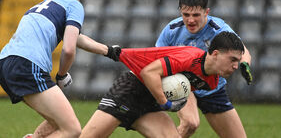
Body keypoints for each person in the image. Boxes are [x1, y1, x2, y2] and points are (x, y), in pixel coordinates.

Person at [0, 0, 120, 138]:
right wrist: (61, 75)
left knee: (58, 119)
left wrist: (108, 51)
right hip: (26, 64)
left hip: (5, 64)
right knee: (73, 130)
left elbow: (77, 37)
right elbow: (69, 49)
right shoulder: (73, 4)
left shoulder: (42, 6)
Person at [80, 31, 245, 138]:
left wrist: (175, 102)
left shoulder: (211, 81)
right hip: (131, 90)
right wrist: (165, 103)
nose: (236, 66)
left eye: (238, 61)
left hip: (150, 101)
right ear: (215, 54)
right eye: (233, 60)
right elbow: (148, 73)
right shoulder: (189, 57)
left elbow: (179, 86)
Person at [156, 0, 252, 138]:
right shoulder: (172, 29)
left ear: (206, 12)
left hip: (213, 88)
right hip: (183, 84)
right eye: (185, 15)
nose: (190, 20)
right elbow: (156, 57)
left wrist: (244, 64)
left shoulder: (218, 29)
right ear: (180, 11)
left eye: (196, 15)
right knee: (190, 123)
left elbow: (242, 49)